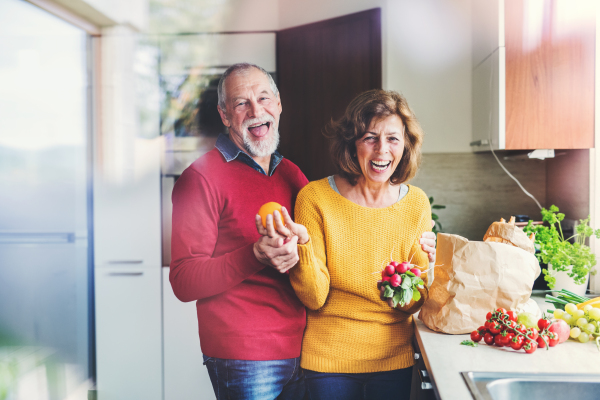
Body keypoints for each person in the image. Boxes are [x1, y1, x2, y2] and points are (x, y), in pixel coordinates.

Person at [171, 63, 436, 400]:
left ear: (278, 104)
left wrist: (423, 268)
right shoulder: (201, 178)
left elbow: (313, 263)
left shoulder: (290, 175)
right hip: (246, 356)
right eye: (241, 103)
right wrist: (255, 254)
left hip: (298, 347)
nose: (256, 110)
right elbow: (183, 280)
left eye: (264, 98)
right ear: (224, 115)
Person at [259, 89, 431, 400]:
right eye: (370, 137)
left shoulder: (416, 204)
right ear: (352, 143)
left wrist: (409, 283)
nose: (382, 150)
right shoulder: (315, 198)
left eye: (393, 139)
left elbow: (416, 302)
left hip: (393, 359)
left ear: (405, 145)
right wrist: (304, 246)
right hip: (328, 361)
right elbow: (314, 298)